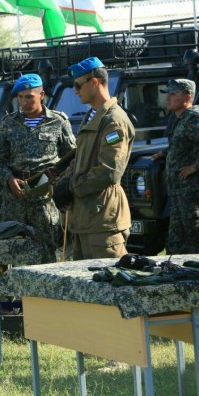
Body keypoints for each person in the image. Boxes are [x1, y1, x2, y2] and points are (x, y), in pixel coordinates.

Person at [55, 57, 135, 260]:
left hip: (103, 218)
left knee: (109, 284)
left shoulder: (113, 120)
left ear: (94, 82)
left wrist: (71, 186)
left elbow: (109, 171)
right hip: (85, 216)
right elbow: (81, 158)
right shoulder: (93, 115)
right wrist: (63, 183)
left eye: (78, 85)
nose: (75, 91)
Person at [0, 74, 76, 263]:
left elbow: (72, 159)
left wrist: (62, 186)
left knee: (48, 250)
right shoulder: (8, 123)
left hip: (45, 198)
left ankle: (47, 293)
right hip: (15, 198)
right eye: (20, 97)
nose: (24, 102)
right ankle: (10, 293)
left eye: (29, 96)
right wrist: (8, 179)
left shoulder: (58, 121)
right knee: (8, 251)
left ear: (41, 95)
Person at [151, 79, 199, 254]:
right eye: (168, 94)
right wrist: (164, 153)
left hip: (192, 191)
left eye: (173, 94)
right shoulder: (180, 120)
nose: (168, 98)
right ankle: (178, 279)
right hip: (180, 191)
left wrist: (196, 166)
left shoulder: (192, 119)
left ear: (187, 97)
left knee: (197, 242)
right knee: (175, 244)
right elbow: (182, 143)